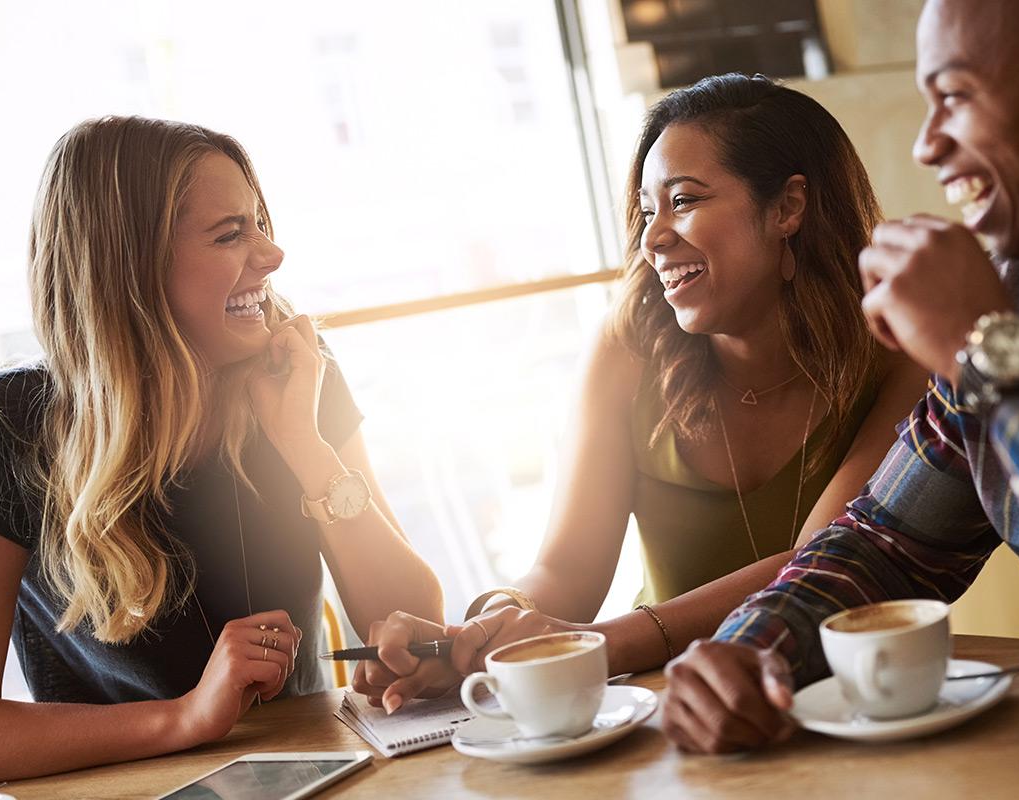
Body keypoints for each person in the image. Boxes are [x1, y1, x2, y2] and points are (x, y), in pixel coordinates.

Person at [661, 0, 1019, 753]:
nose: (927, 145)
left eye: (954, 96)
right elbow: (889, 539)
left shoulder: (991, 325)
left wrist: (991, 353)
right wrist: (750, 647)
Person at [354, 74, 925, 712]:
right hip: (668, 707)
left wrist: (607, 644)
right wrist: (486, 630)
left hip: (863, 697)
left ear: (789, 207)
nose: (652, 238)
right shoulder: (630, 344)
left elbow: (823, 566)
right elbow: (566, 573)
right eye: (649, 210)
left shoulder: (901, 350)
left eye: (684, 200)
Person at [0, 116, 443, 784]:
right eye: (231, 234)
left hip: (310, 777)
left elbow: (418, 626)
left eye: (260, 224)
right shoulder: (1, 424)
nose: (271, 255)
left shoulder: (293, 371)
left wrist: (305, 444)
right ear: (128, 266)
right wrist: (187, 717)